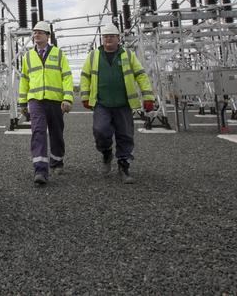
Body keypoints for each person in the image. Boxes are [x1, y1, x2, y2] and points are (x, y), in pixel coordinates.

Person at [80, 24, 154, 184]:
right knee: (100, 130)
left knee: (125, 135)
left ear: (118, 38)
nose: (108, 39)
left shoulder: (127, 54)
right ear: (102, 39)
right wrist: (85, 96)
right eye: (106, 37)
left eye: (112, 36)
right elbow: (85, 76)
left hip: (123, 103)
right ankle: (106, 152)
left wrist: (148, 96)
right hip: (102, 103)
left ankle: (124, 165)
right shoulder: (94, 56)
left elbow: (140, 75)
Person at [18, 21, 73, 185]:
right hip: (36, 101)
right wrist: (22, 102)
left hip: (56, 100)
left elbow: (67, 76)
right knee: (38, 132)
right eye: (34, 33)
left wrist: (68, 98)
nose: (36, 35)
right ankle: (40, 170)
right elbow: (24, 80)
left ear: (48, 36)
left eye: (40, 32)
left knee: (56, 132)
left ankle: (57, 161)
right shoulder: (28, 56)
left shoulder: (58, 54)